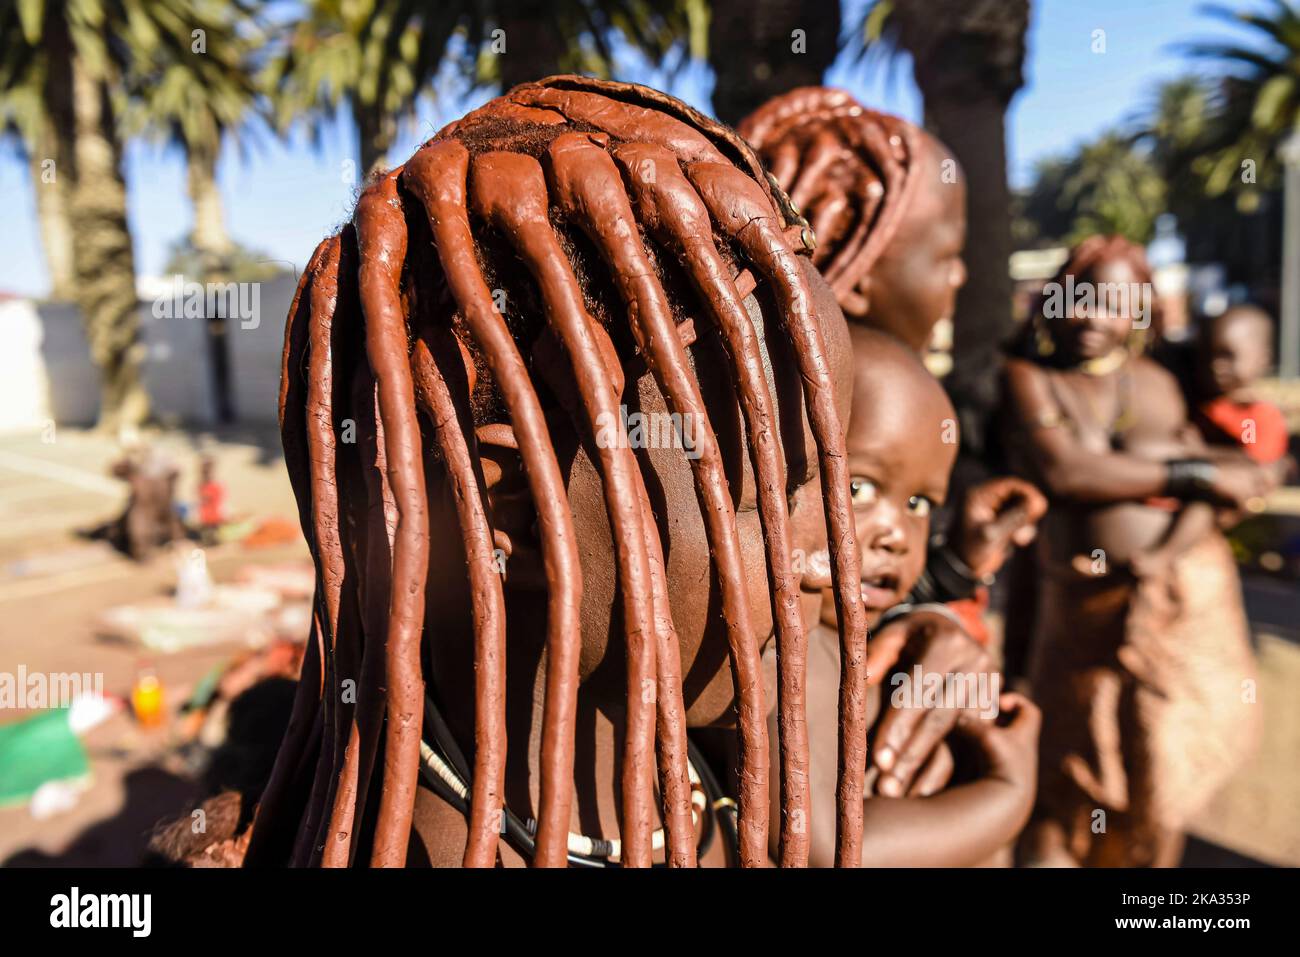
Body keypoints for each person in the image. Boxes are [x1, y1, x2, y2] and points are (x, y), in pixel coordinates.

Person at [244, 76, 874, 868]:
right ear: (511, 505)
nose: (833, 555)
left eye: (835, 483)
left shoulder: (685, 731)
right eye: (768, 503)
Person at [1000, 235, 1266, 867]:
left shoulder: (1159, 382)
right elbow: (1067, 472)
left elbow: (1248, 458)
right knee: (1064, 781)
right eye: (1083, 297)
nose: (1095, 315)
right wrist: (1191, 474)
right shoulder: (1027, 380)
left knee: (1157, 781)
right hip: (1080, 612)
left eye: (1118, 301)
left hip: (1179, 607)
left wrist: (1225, 472)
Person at [773, 326, 1039, 867]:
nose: (895, 533)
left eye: (919, 502)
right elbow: (826, 848)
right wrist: (1006, 796)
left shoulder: (857, 631)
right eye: (857, 489)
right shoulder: (784, 649)